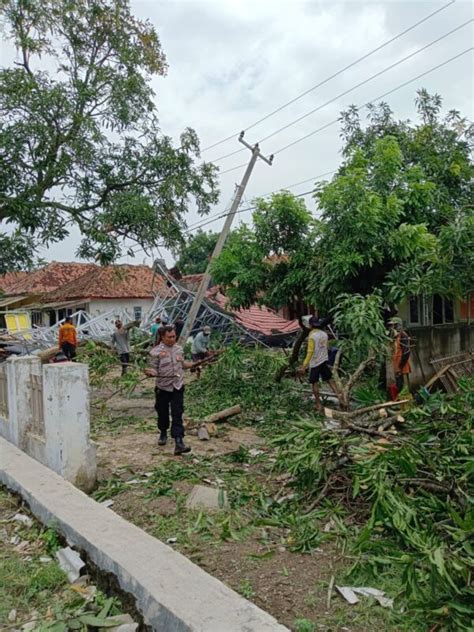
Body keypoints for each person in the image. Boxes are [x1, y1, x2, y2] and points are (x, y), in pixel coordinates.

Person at [145, 325, 193, 455]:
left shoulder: (179, 349)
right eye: (169, 337)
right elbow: (153, 368)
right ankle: (163, 432)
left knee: (177, 413)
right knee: (163, 413)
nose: (173, 339)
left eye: (174, 336)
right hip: (163, 388)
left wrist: (195, 364)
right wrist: (151, 372)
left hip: (178, 386)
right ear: (162, 337)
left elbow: (182, 365)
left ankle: (179, 441)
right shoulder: (155, 352)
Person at [299, 316, 337, 413]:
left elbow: (310, 352)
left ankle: (318, 404)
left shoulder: (312, 336)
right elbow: (327, 347)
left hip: (315, 363)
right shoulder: (324, 334)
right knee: (329, 380)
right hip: (324, 361)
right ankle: (341, 399)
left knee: (314, 383)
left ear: (311, 325)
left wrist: (304, 365)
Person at [390, 317, 411, 392]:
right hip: (397, 363)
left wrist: (400, 365)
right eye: (393, 326)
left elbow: (406, 352)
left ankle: (404, 399)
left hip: (401, 364)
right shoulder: (396, 336)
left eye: (395, 325)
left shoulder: (403, 336)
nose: (393, 327)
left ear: (399, 325)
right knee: (398, 383)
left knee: (402, 385)